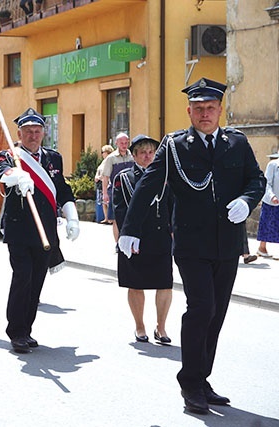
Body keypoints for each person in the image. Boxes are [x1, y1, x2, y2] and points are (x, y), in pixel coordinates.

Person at [118, 78, 265, 415]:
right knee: (202, 307)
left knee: (217, 312)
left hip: (228, 242)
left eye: (210, 108)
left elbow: (256, 179)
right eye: (198, 109)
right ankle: (190, 384)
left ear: (219, 110)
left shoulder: (237, 143)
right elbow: (147, 185)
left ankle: (202, 377)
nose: (204, 114)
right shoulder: (174, 145)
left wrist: (247, 199)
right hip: (191, 243)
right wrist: (130, 229)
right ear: (189, 111)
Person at [0, 107, 79, 353]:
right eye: (28, 131)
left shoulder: (53, 158)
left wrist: (72, 217)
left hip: (45, 230)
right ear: (19, 133)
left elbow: (62, 189)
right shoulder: (10, 155)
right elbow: (2, 174)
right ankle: (16, 331)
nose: (33, 136)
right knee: (22, 276)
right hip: (19, 230)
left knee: (36, 281)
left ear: (44, 132)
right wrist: (15, 175)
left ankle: (27, 329)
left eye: (37, 131)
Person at [113, 135, 173, 343]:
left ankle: (161, 327)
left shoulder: (166, 176)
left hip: (161, 237)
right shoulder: (124, 177)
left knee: (165, 283)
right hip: (135, 238)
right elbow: (119, 211)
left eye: (151, 152)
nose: (147, 156)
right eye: (143, 152)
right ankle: (140, 326)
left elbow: (172, 206)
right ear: (134, 155)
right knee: (135, 284)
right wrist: (124, 238)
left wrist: (174, 232)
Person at [102, 133, 134, 242]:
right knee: (116, 219)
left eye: (126, 143)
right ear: (116, 143)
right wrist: (105, 194)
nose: (124, 145)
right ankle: (118, 243)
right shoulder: (111, 158)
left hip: (131, 191)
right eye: (121, 143)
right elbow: (105, 177)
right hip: (116, 192)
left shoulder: (132, 156)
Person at [256, 153, 279, 259]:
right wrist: (271, 196)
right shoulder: (273, 164)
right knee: (267, 224)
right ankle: (262, 247)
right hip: (272, 200)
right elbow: (267, 182)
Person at [95, 144, 114, 224]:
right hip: (100, 183)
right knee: (103, 202)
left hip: (107, 183)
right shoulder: (103, 162)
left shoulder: (110, 161)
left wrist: (101, 177)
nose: (102, 154)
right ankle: (106, 218)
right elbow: (98, 171)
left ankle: (111, 218)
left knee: (109, 201)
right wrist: (97, 177)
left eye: (103, 152)